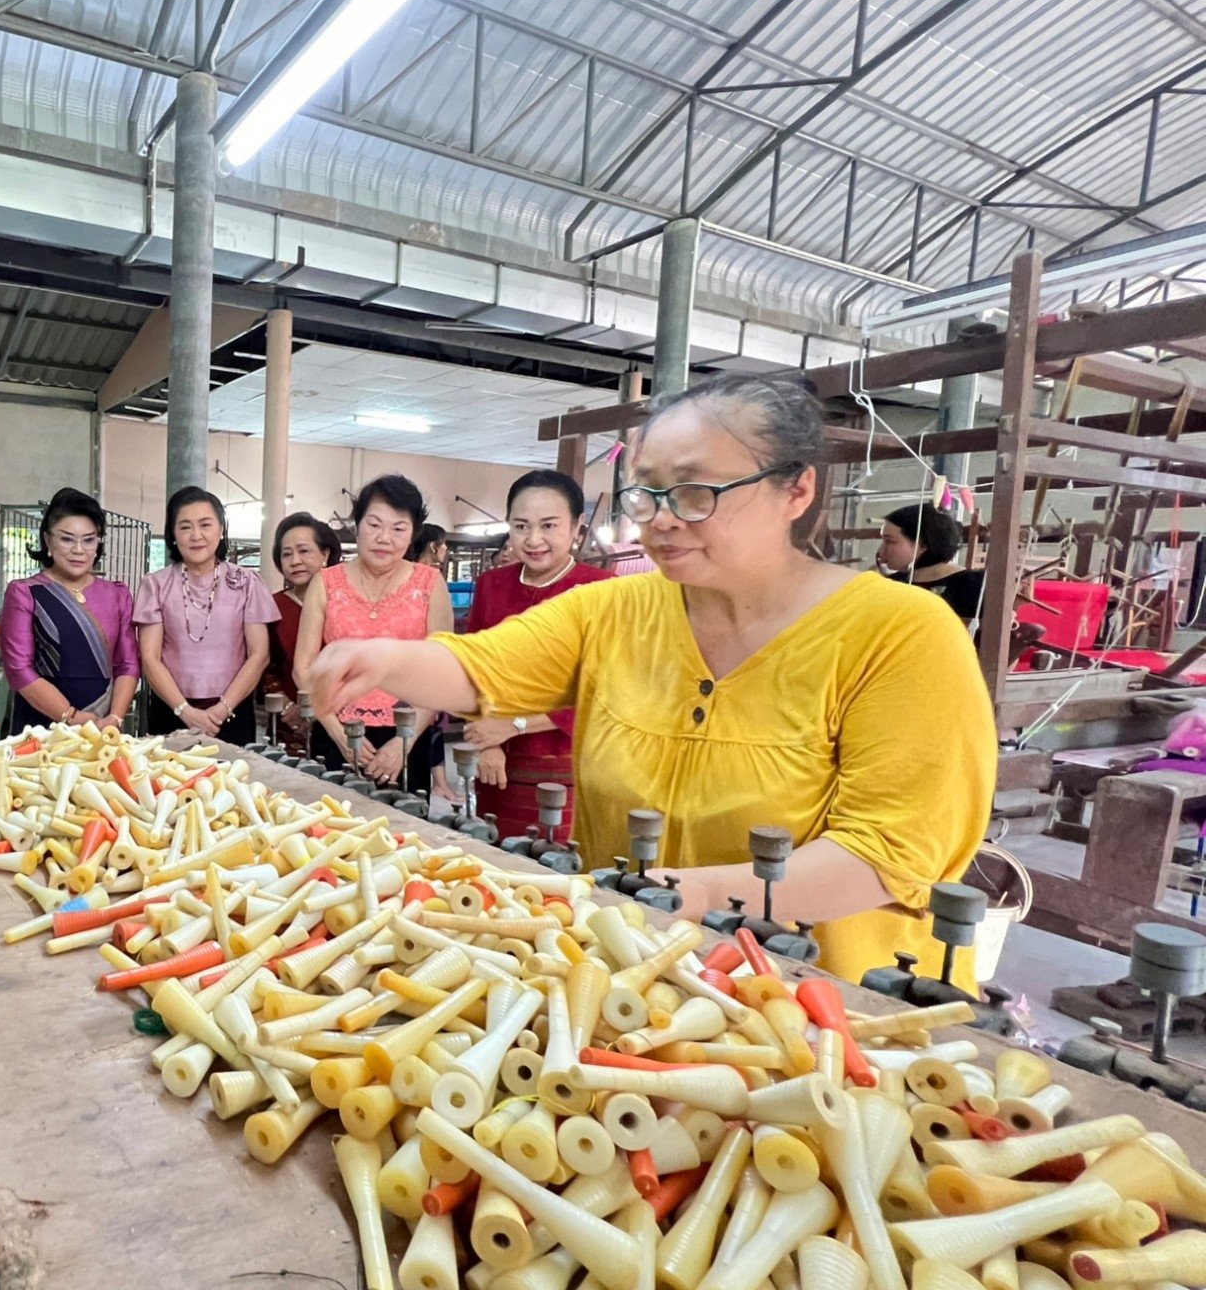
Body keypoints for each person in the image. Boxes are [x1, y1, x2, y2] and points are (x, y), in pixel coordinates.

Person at [305, 374, 995, 987]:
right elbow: (482, 665)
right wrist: (382, 659)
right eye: (646, 494)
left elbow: (887, 854)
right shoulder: (617, 608)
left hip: (819, 999)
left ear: (797, 489)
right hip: (634, 974)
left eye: (695, 491)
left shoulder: (900, 634)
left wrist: (664, 894)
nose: (662, 518)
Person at [459, 471, 612, 841]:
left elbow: (604, 691)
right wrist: (490, 739)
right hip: (496, 767)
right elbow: (472, 668)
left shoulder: (603, 590)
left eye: (549, 525)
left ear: (577, 527)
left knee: (561, 876)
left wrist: (514, 725)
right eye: (521, 525)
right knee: (497, 866)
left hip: (568, 770)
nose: (534, 539)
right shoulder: (492, 586)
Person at [293, 475, 452, 790]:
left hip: (409, 737)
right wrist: (338, 732)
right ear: (357, 524)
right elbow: (304, 667)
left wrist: (403, 744)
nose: (384, 538)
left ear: (412, 534)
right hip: (335, 731)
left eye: (398, 529)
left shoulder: (430, 585)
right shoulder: (325, 583)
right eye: (374, 524)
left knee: (404, 834)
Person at [134, 487, 279, 745]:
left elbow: (259, 655)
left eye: (205, 524)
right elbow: (149, 657)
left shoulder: (246, 582)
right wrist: (185, 711)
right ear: (173, 534)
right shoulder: (155, 584)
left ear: (221, 529)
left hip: (232, 712)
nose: (196, 535)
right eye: (185, 527)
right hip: (172, 711)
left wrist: (222, 709)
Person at [0, 487, 139, 731]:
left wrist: (115, 718)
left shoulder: (117, 594)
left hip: (105, 724)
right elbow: (18, 669)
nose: (79, 550)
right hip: (42, 724)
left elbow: (127, 664)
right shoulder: (25, 592)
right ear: (47, 540)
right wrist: (71, 717)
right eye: (66, 539)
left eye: (89, 539)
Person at [262, 513, 342, 752]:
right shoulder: (272, 606)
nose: (295, 560)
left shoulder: (346, 605)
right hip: (290, 726)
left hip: (343, 721)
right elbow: (264, 667)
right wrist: (289, 709)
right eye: (286, 554)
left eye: (303, 551)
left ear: (325, 554)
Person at [878, 501, 985, 626]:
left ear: (922, 545)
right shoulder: (892, 584)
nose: (881, 550)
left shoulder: (977, 586)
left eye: (889, 541)